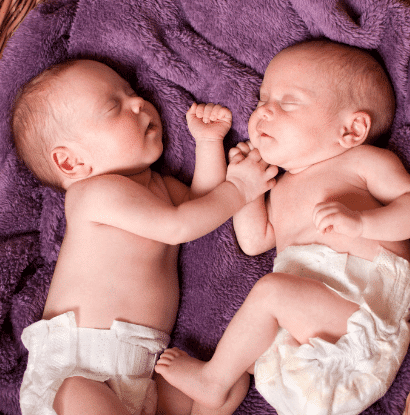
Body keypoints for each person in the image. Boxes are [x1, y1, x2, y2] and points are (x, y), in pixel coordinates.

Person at [155, 39, 410, 415]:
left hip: (359, 326)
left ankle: (213, 382)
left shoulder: (364, 162)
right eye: (261, 100)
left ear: (352, 129)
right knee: (253, 332)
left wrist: (363, 223)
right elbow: (255, 241)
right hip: (299, 354)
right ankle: (218, 393)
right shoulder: (284, 186)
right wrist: (248, 190)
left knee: (271, 293)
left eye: (287, 102)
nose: (263, 113)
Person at [12, 59, 277, 415]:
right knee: (76, 392)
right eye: (113, 106)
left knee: (226, 380)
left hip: (142, 375)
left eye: (132, 93)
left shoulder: (160, 187)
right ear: (71, 163)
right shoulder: (92, 195)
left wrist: (208, 142)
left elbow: (202, 207)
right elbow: (179, 225)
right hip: (77, 367)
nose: (138, 103)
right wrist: (240, 190)